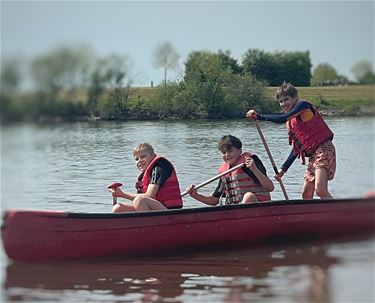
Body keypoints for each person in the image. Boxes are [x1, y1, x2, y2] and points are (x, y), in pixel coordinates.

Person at [246, 82, 336, 199]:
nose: (283, 104)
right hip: (314, 155)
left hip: (324, 149)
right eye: (280, 101)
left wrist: (259, 116)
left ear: (295, 98)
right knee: (306, 195)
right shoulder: (291, 122)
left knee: (320, 190)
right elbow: (297, 148)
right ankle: (309, 217)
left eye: (286, 99)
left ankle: (339, 215)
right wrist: (283, 169)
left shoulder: (303, 106)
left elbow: (283, 118)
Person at [185, 135, 274, 205]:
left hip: (258, 208)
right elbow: (214, 200)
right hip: (234, 211)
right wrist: (195, 195)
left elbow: (270, 187)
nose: (227, 155)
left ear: (240, 151)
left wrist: (254, 169)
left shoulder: (250, 162)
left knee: (248, 196)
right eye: (224, 152)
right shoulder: (225, 172)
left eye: (230, 151)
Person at [110, 143, 183, 212]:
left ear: (152, 156)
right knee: (118, 208)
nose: (139, 161)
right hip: (155, 209)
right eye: (136, 159)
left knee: (140, 200)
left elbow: (149, 195)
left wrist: (122, 194)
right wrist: (119, 194)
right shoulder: (142, 177)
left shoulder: (160, 166)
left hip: (170, 211)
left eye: (143, 156)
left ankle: (151, 224)